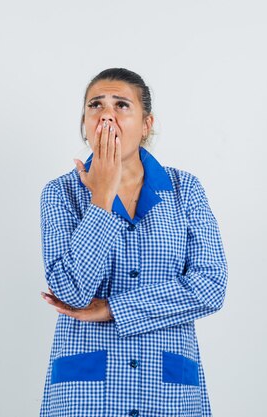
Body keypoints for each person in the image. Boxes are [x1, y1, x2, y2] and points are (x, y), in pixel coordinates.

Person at [38, 67, 228, 417]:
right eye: (96, 105)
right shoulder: (60, 193)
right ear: (84, 122)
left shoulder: (185, 190)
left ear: (146, 124)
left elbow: (210, 287)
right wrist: (102, 195)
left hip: (167, 391)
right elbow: (72, 293)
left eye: (121, 105)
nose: (107, 114)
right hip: (87, 394)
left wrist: (112, 309)